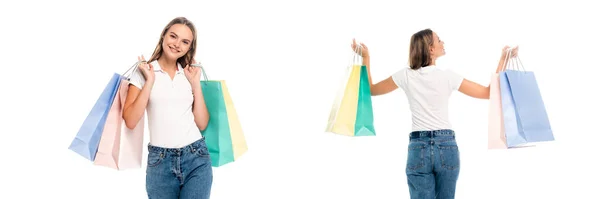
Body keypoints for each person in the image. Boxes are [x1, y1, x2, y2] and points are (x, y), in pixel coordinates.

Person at [350, 28, 518, 199]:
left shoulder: (405, 75)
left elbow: (370, 89)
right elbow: (488, 93)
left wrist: (365, 58)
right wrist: (503, 59)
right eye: (439, 40)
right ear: (430, 49)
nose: (442, 42)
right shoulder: (448, 77)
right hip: (446, 146)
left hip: (418, 146)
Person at [122, 17, 212, 199]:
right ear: (164, 36)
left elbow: (202, 124)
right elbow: (130, 120)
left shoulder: (189, 74)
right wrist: (149, 82)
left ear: (189, 48)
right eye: (173, 36)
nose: (177, 44)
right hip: (160, 163)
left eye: (185, 42)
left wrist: (195, 84)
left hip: (196, 157)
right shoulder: (143, 72)